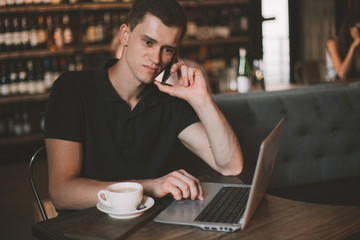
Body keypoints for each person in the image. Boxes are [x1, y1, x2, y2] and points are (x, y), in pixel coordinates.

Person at [44, 0, 243, 213]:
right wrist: (147, 186)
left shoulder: (169, 98)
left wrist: (201, 99)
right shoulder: (73, 89)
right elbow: (61, 193)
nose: (156, 59)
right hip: (86, 225)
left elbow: (230, 165)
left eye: (167, 49)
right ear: (125, 35)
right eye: (148, 42)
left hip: (149, 225)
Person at [327, 15, 360, 81]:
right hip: (336, 83)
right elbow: (342, 75)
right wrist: (353, 47)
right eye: (359, 29)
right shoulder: (333, 43)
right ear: (350, 28)